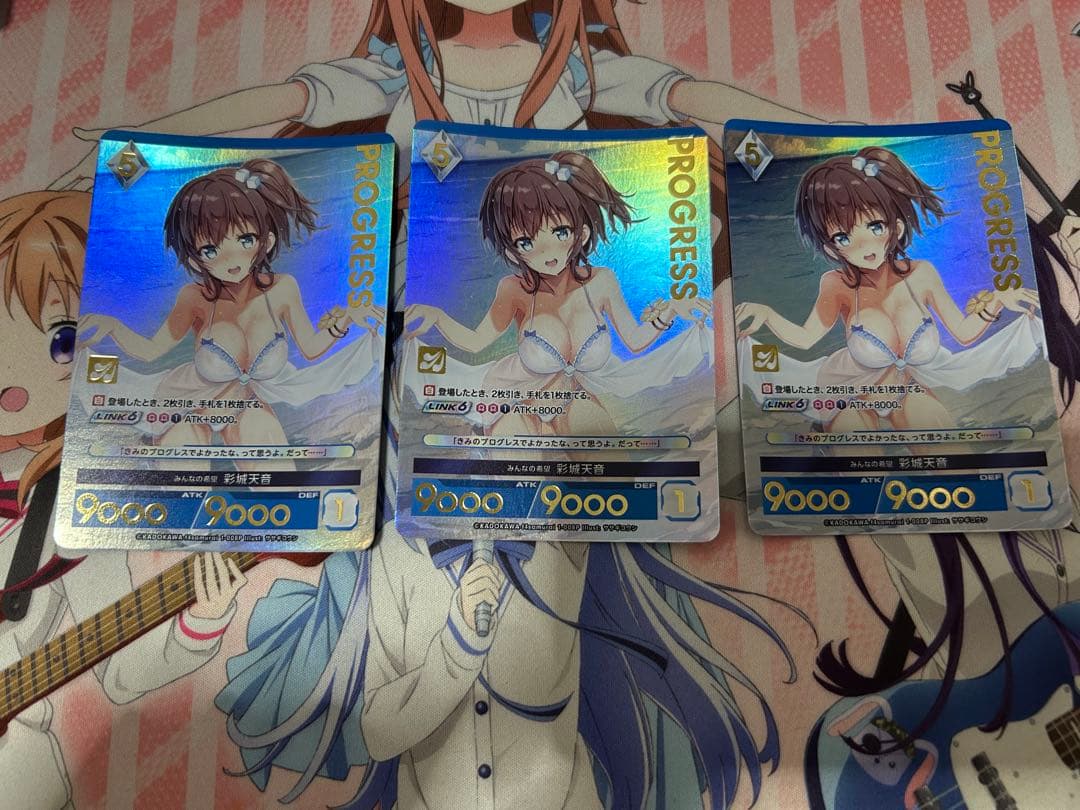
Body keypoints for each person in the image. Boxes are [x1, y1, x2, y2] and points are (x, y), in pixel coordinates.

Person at [0, 190, 246, 810]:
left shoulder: (90, 492)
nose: (12, 386)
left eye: (62, 341)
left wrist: (199, 624)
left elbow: (121, 678)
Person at [76, 159, 384, 468]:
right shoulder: (195, 297)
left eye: (245, 239)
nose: (231, 258)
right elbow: (151, 350)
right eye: (210, 250)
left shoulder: (283, 289)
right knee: (181, 475)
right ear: (195, 260)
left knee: (277, 473)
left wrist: (346, 319)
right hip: (187, 407)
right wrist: (112, 326)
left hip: (246, 406)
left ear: (265, 241)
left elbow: (311, 348)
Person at [403, 150, 711, 437]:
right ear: (512, 252)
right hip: (513, 400)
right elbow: (475, 342)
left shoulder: (601, 282)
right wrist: (438, 316)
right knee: (516, 459)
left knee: (611, 456)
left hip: (572, 399)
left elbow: (634, 340)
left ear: (581, 233)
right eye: (526, 242)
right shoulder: (514, 289)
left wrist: (671, 310)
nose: (547, 251)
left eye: (560, 232)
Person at [736, 145, 1042, 429]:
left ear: (895, 225)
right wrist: (768, 314)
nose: (864, 246)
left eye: (874, 226)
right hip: (848, 393)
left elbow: (962, 333)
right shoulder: (837, 284)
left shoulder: (921, 274)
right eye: (843, 237)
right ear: (831, 248)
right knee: (855, 444)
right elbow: (806, 338)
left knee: (946, 442)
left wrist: (998, 300)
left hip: (905, 390)